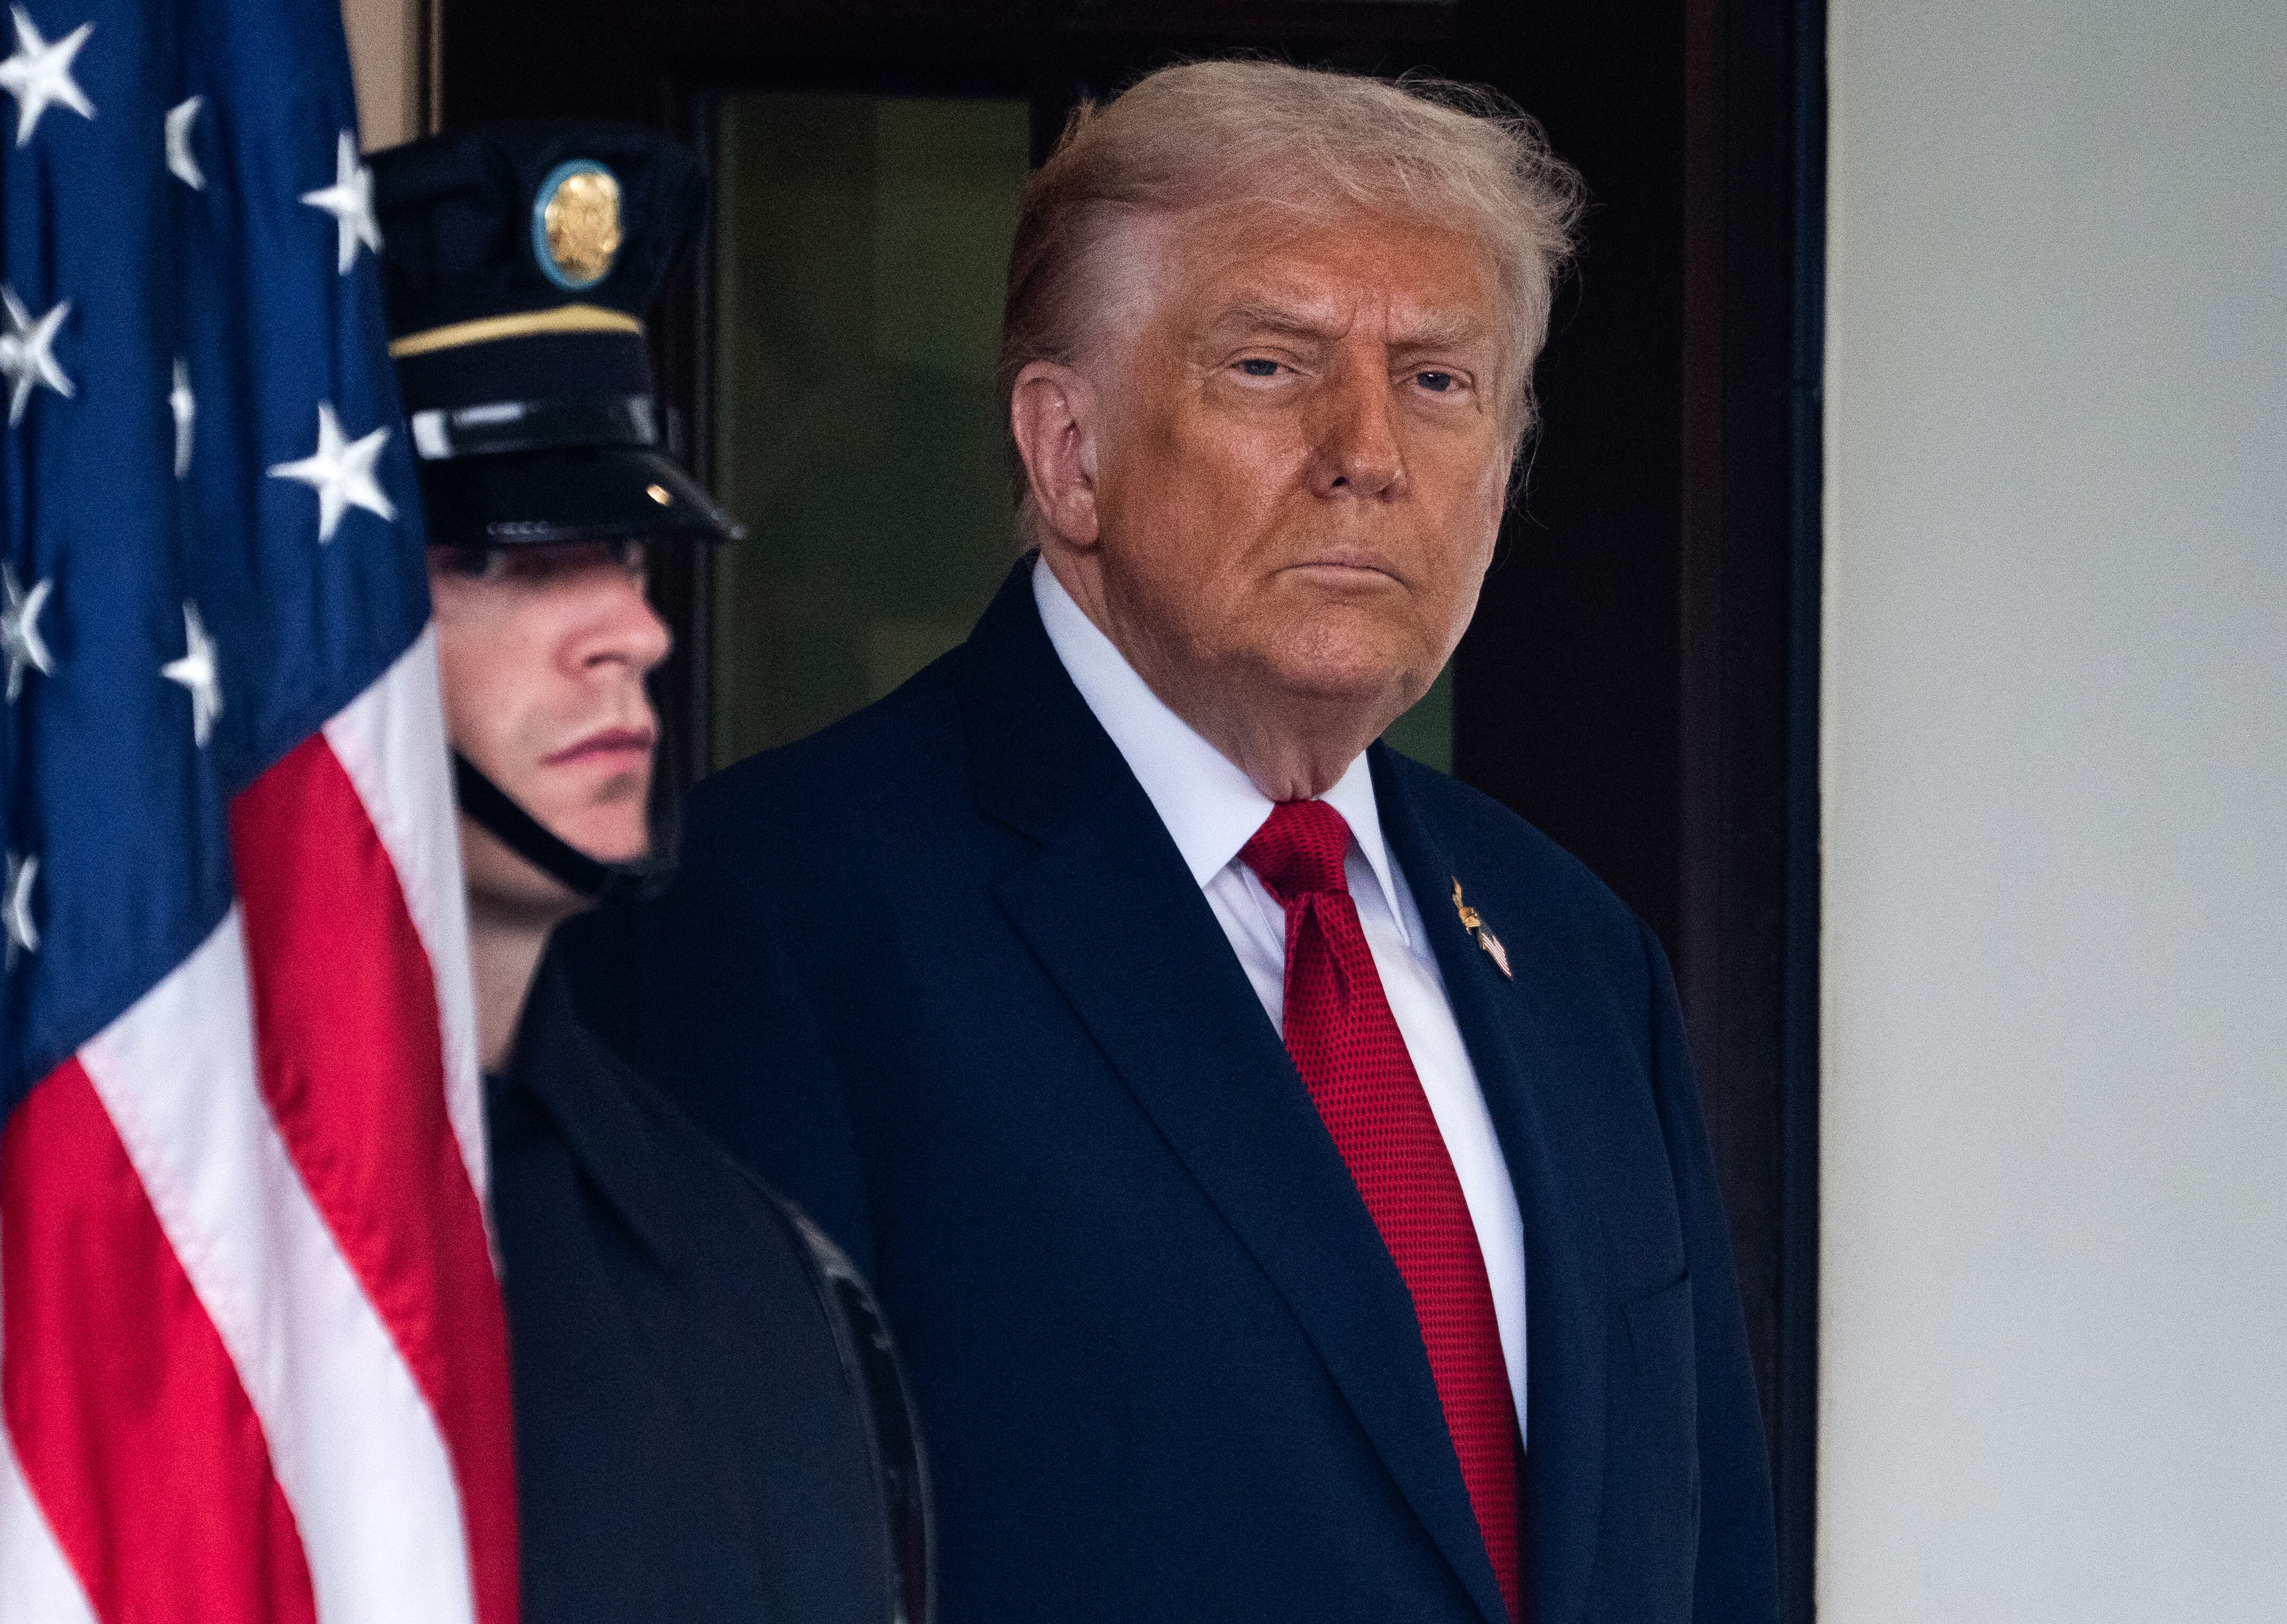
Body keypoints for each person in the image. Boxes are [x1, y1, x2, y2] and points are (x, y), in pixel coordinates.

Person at [571, 62, 1775, 1623]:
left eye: (1436, 380)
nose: (1366, 452)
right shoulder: (772, 914)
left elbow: (1713, 1567)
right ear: (1065, 451)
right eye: (1270, 365)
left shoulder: (1573, 950)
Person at [370, 123, 928, 1624]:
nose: (631, 632)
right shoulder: (117, 1194)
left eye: (621, 555)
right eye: (506, 559)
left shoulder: (756, 1268)